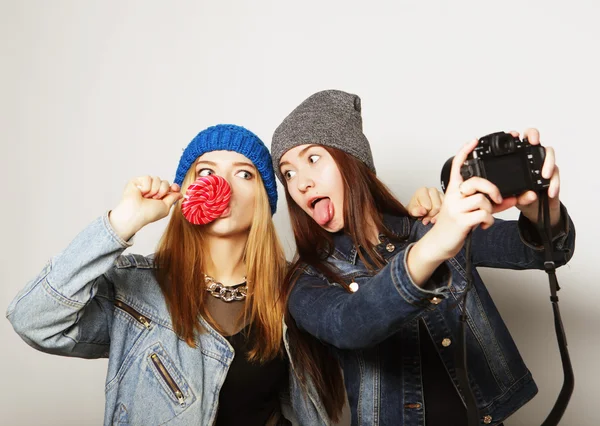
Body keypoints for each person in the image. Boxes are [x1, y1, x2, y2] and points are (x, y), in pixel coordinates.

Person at [270, 90, 576, 426]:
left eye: (312, 159)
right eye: (288, 173)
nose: (300, 184)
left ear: (352, 159)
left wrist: (541, 210)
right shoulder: (305, 279)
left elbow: (539, 250)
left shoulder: (429, 224)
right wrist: (435, 245)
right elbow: (350, 324)